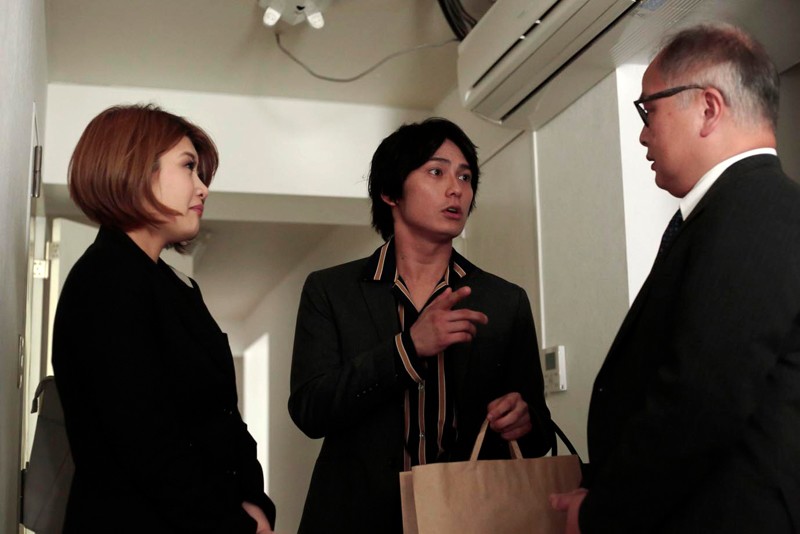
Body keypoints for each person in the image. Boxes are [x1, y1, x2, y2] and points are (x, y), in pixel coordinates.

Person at [550, 23, 800, 533]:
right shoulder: (731, 212)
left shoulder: (754, 210)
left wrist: (602, 514)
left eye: (649, 110)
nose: (643, 133)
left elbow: (701, 399)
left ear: (708, 108)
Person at [288, 118, 554, 533]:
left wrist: (525, 421)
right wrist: (407, 350)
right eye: (436, 172)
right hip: (357, 519)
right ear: (390, 192)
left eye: (465, 177)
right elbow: (310, 411)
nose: (456, 189)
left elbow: (538, 437)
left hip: (471, 519)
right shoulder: (331, 291)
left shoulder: (505, 301)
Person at [52, 104, 276, 533]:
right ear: (134, 167)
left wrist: (254, 502)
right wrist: (237, 523)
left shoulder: (172, 286)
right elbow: (146, 443)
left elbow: (221, 419)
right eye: (189, 167)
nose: (203, 188)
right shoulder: (106, 280)